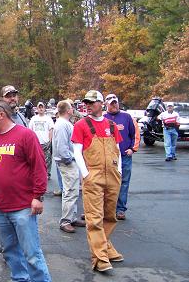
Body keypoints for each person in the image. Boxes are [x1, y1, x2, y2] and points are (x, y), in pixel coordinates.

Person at [0, 99, 52, 282]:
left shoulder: (26, 135)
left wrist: (38, 196)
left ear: (1, 115)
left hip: (23, 208)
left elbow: (39, 167)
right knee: (11, 253)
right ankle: (20, 279)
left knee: (32, 255)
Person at [71, 90, 123, 272]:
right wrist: (85, 174)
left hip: (113, 177)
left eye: (92, 102)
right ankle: (100, 258)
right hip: (93, 176)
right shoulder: (81, 125)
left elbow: (117, 149)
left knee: (110, 216)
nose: (89, 105)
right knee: (94, 219)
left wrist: (119, 171)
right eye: (87, 102)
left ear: (102, 103)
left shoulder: (112, 125)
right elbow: (76, 152)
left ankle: (106, 247)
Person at [52, 100, 85, 233]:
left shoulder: (65, 123)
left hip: (70, 161)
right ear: (67, 110)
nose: (73, 109)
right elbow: (61, 146)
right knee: (70, 191)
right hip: (67, 162)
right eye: (71, 108)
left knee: (74, 190)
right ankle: (65, 221)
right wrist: (69, 159)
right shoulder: (61, 125)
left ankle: (72, 217)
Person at [104, 94, 136, 221]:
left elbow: (134, 134)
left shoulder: (127, 117)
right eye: (111, 103)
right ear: (106, 104)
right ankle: (108, 209)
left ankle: (121, 209)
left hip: (125, 155)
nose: (114, 105)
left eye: (115, 103)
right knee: (108, 183)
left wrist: (132, 148)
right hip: (109, 157)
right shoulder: (103, 118)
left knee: (124, 183)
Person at [29, 102, 54, 178]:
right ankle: (38, 173)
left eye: (42, 107)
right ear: (37, 109)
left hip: (46, 142)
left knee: (47, 159)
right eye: (39, 107)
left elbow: (51, 130)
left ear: (44, 108)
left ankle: (47, 174)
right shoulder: (33, 119)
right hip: (36, 143)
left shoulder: (48, 118)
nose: (41, 109)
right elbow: (30, 131)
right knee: (36, 160)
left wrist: (49, 141)